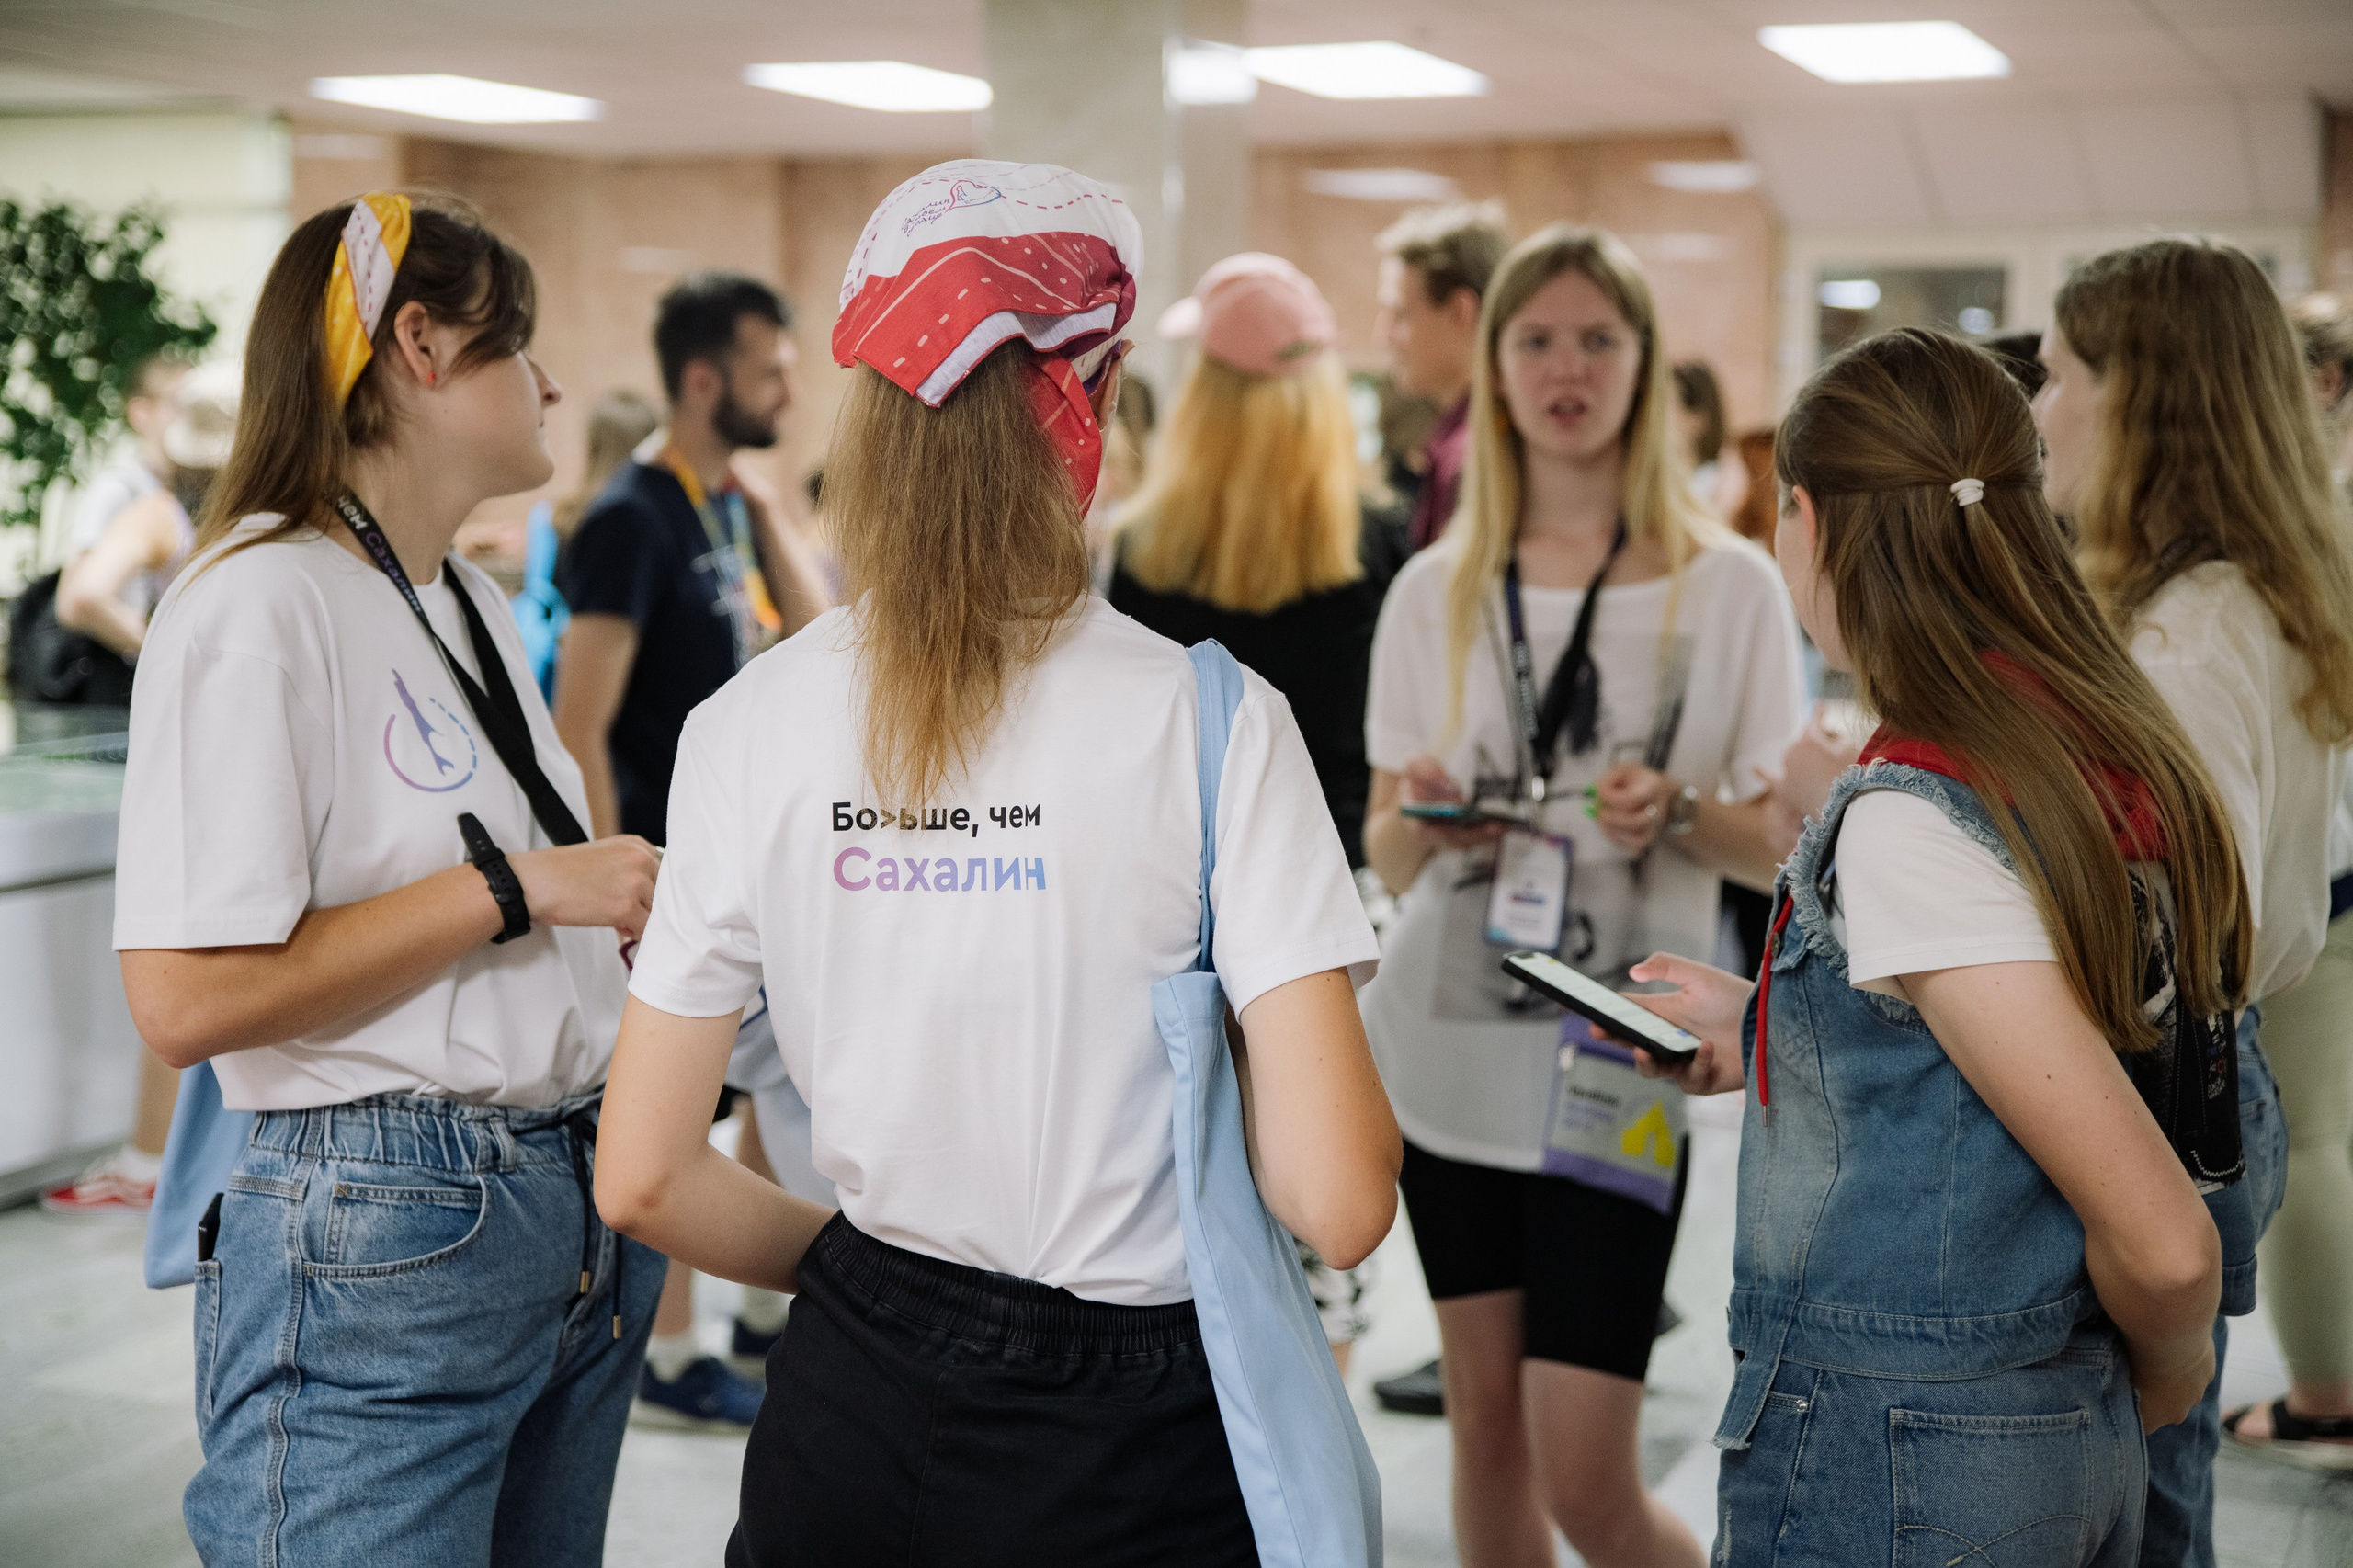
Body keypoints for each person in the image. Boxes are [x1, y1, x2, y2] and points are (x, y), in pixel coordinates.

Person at [591, 158, 1397, 1565]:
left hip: (841, 1415)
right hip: (1131, 1444)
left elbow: (644, 1176)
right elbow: (1340, 1200)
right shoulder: (1213, 724)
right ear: (1101, 392)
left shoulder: (746, 725)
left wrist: (860, 1276)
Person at [114, 190, 665, 1565]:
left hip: (563, 1214)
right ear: (419, 346)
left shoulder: (456, 598)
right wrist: (527, 890)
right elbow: (184, 999)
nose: (549, 383)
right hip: (392, 1222)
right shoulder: (257, 600)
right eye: (515, 343)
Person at [1627, 325, 2236, 1567]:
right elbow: (2007, 1044)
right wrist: (1772, 1025)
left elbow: (2167, 1245)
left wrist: (2172, 1368)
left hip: (1914, 1455)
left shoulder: (1915, 810)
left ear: (1807, 521)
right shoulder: (2078, 734)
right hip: (2031, 1441)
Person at [1359, 223, 1802, 1568]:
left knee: (1586, 1467)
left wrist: (1674, 808)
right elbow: (1383, 849)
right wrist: (1430, 821)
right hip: (1448, 1046)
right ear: (1492, 370)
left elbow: (1783, 852)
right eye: (1537, 339)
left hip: (1619, 1053)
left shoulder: (1730, 586)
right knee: (1482, 1420)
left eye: (1599, 340)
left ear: (1646, 366)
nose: (1568, 368)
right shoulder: (1435, 589)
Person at [2035, 237, 2353, 1564]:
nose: (2038, 411)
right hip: (2195, 1081)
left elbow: (2155, 927)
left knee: (2139, 1503)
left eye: (2056, 377)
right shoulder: (2221, 603)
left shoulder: (2187, 639)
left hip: (2160, 1093)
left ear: (2140, 395)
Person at [1109, 252, 1408, 1372]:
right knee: (1327, 1217)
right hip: (1330, 910)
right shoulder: (1377, 545)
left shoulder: (1143, 550)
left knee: (1193, 1184)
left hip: (1183, 910)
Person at [551, 272, 831, 1426]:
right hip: (661, 881)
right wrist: (621, 890)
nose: (789, 385)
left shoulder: (719, 504)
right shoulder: (628, 516)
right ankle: (665, 1356)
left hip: (737, 866)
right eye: (770, 367)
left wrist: (765, 512)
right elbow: (581, 724)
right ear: (707, 378)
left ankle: (759, 1318)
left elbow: (824, 641)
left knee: (775, 1084)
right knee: (672, 1117)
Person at [36, 362, 231, 1217]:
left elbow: (84, 591)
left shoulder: (182, 516)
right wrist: (163, 646)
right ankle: (159, 1158)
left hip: (199, 753)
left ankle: (154, 1159)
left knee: (189, 958)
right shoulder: (246, 523)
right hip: (216, 752)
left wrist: (158, 647)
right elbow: (83, 595)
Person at [1376, 201, 1508, 553]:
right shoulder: (1467, 437)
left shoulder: (1478, 453)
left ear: (1460, 312)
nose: (1383, 335)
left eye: (1400, 315)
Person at [510, 388, 658, 698]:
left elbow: (538, 598)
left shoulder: (551, 519)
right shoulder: (654, 527)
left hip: (560, 686)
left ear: (594, 445)